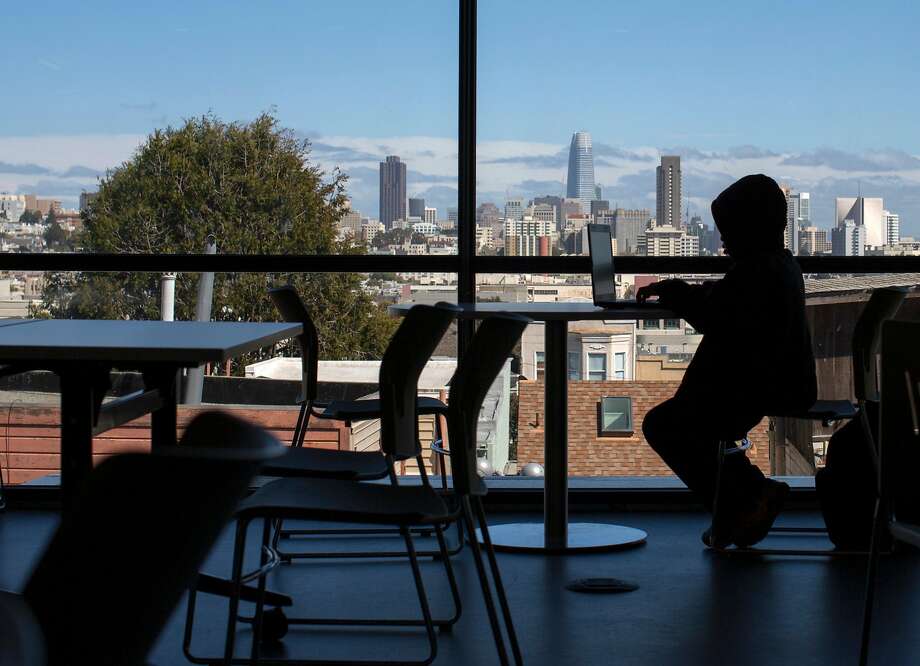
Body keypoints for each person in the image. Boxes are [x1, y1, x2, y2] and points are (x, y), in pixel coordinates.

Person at [637, 174, 817, 549]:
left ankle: (743, 504)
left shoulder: (757, 271)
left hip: (762, 388)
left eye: (729, 231)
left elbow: (713, 315)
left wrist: (676, 292)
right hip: (778, 380)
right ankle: (749, 498)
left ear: (749, 228)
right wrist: (686, 293)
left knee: (666, 424)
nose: (724, 241)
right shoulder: (778, 264)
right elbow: (727, 302)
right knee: (690, 420)